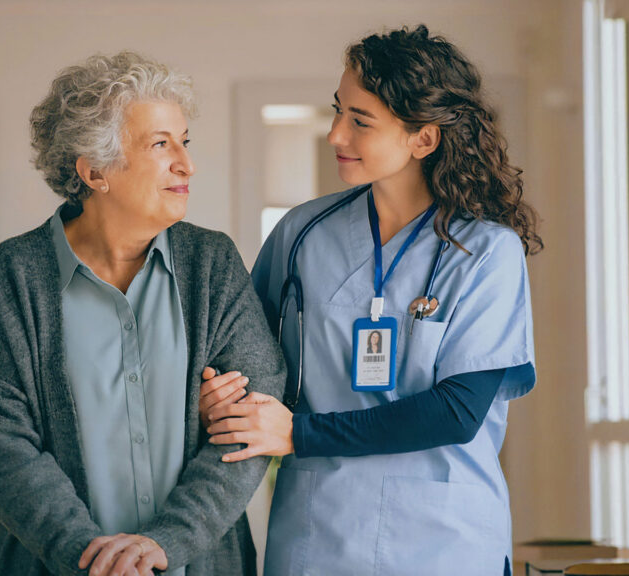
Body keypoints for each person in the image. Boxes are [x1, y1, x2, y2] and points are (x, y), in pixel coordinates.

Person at [198, 25, 541, 575]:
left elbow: (457, 412)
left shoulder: (485, 252)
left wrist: (297, 433)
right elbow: (247, 360)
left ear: (423, 139)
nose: (335, 134)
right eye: (339, 112)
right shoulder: (301, 234)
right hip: (318, 536)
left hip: (444, 545)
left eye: (360, 121)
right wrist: (219, 396)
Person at [0, 52, 284, 576]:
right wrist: (92, 557)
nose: (186, 163)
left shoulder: (212, 264)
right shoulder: (15, 276)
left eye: (184, 141)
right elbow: (2, 447)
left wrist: (167, 542)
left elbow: (252, 418)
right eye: (161, 144)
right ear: (94, 171)